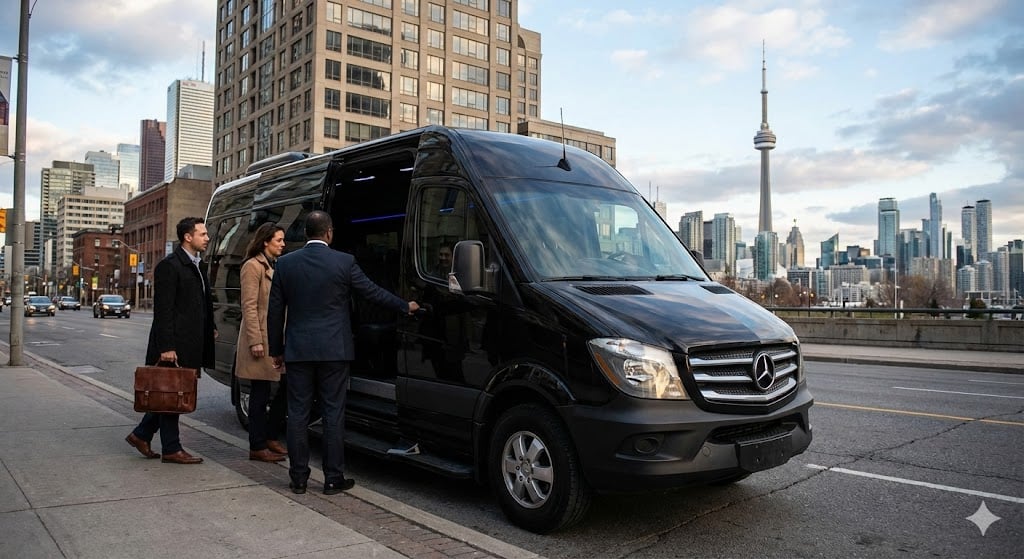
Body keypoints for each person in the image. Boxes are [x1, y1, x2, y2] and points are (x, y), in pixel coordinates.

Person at [267, 210, 419, 495]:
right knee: (333, 414)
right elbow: (372, 292)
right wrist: (403, 306)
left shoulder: (285, 264)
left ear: (305, 234)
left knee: (297, 414)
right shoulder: (344, 262)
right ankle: (333, 478)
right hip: (335, 350)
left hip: (298, 351)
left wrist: (277, 350)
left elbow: (275, 311)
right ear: (329, 233)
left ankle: (298, 478)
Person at [126, 217, 217, 464]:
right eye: (202, 234)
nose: (207, 238)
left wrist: (211, 327)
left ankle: (142, 435)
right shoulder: (171, 265)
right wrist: (167, 347)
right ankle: (171, 448)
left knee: (174, 392)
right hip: (174, 344)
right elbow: (163, 310)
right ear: (188, 237)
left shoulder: (197, 265)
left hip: (190, 341)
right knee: (172, 393)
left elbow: (202, 302)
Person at [234, 222, 288, 462]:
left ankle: (269, 436)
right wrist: (255, 340)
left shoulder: (274, 265)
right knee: (259, 392)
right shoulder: (252, 266)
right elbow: (250, 306)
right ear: (266, 241)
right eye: (279, 240)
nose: (283, 244)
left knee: (282, 388)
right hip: (261, 338)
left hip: (274, 337)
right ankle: (257, 445)